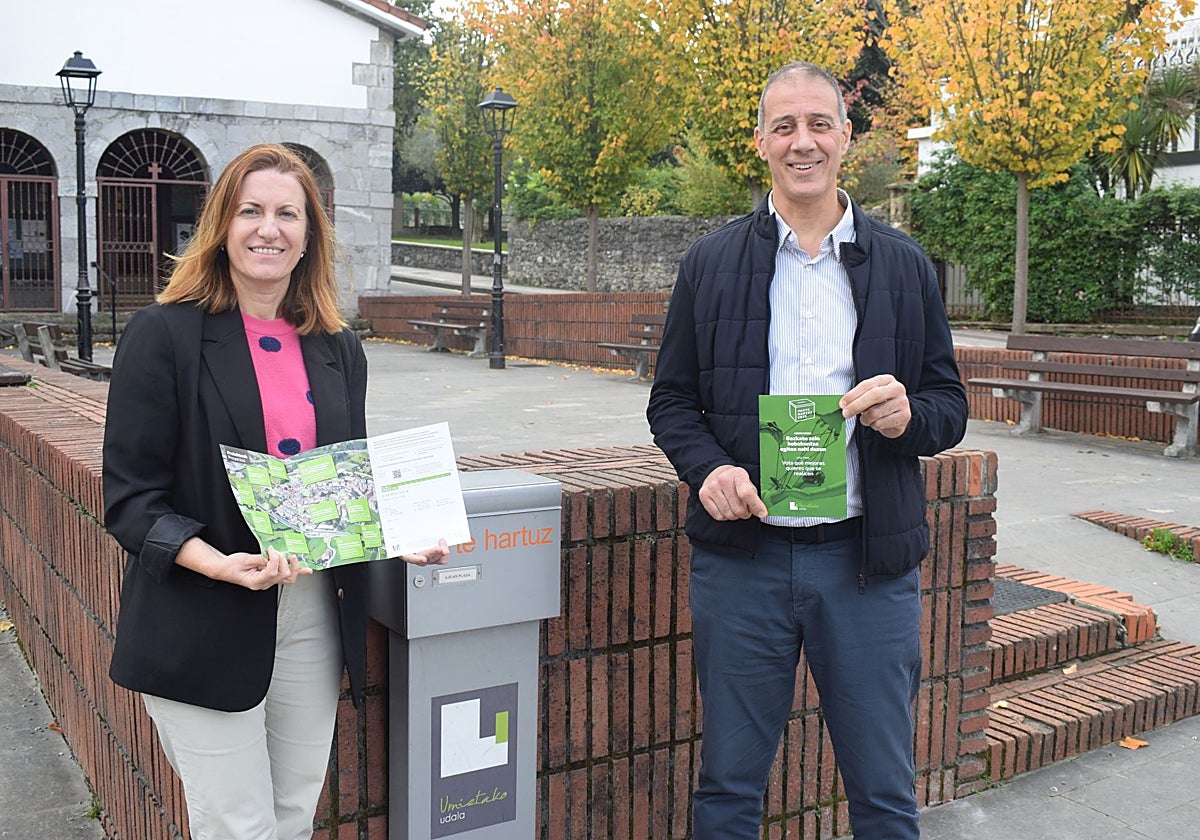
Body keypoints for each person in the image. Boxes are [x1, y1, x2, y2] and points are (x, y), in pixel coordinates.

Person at [646, 62, 969, 840]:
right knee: (727, 791)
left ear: (845, 138)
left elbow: (948, 407)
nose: (803, 142)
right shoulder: (711, 263)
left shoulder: (902, 264)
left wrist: (904, 419)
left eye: (819, 124)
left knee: (886, 794)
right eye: (784, 126)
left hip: (866, 566)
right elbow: (671, 402)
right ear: (761, 141)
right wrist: (709, 469)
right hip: (743, 564)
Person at [102, 143, 449, 840]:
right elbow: (130, 497)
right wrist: (216, 562)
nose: (269, 229)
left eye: (288, 214)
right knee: (239, 828)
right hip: (201, 613)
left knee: (291, 817)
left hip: (315, 610)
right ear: (221, 227)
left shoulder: (337, 347)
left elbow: (345, 480)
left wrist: (402, 533)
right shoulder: (162, 335)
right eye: (251, 211)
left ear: (309, 237)